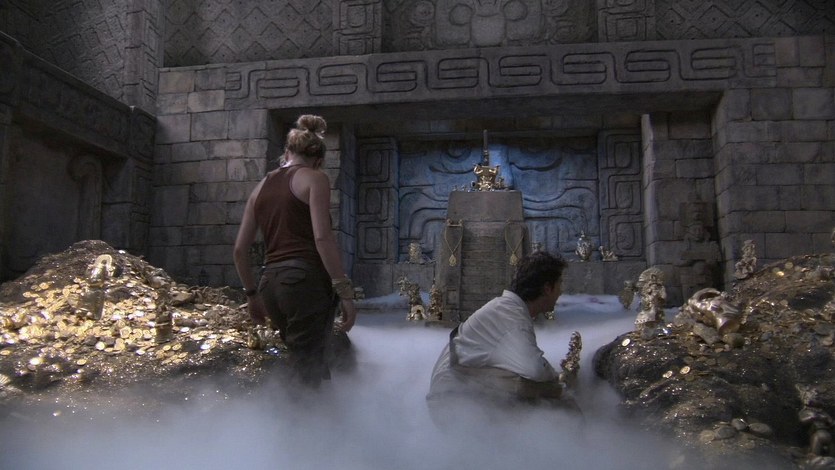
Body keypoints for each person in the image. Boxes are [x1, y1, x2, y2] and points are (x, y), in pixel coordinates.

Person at [233, 114, 356, 387]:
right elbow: (322, 238)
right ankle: (303, 413)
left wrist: (252, 296)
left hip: (269, 285)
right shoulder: (315, 179)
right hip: (303, 282)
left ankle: (293, 410)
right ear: (319, 159)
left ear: (287, 152)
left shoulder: (261, 187)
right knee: (307, 371)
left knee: (299, 360)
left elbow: (240, 250)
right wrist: (345, 292)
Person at [426, 251, 572, 422]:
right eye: (560, 284)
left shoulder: (509, 309)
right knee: (554, 397)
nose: (561, 291)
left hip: (458, 397)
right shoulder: (511, 316)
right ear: (547, 288)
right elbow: (535, 370)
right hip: (451, 402)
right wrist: (559, 382)